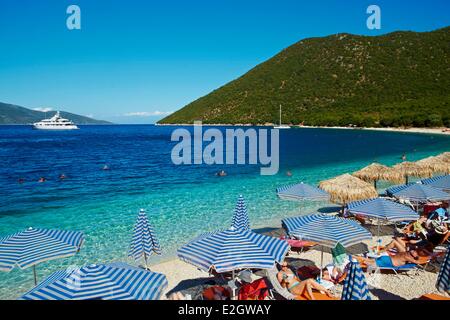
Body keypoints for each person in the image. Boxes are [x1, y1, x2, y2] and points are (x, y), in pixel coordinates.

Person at [358, 250, 424, 268]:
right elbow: (418, 262)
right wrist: (428, 259)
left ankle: (354, 257)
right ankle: (355, 262)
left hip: (386, 257)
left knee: (369, 260)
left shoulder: (403, 252)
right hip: (388, 262)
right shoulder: (408, 258)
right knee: (367, 263)